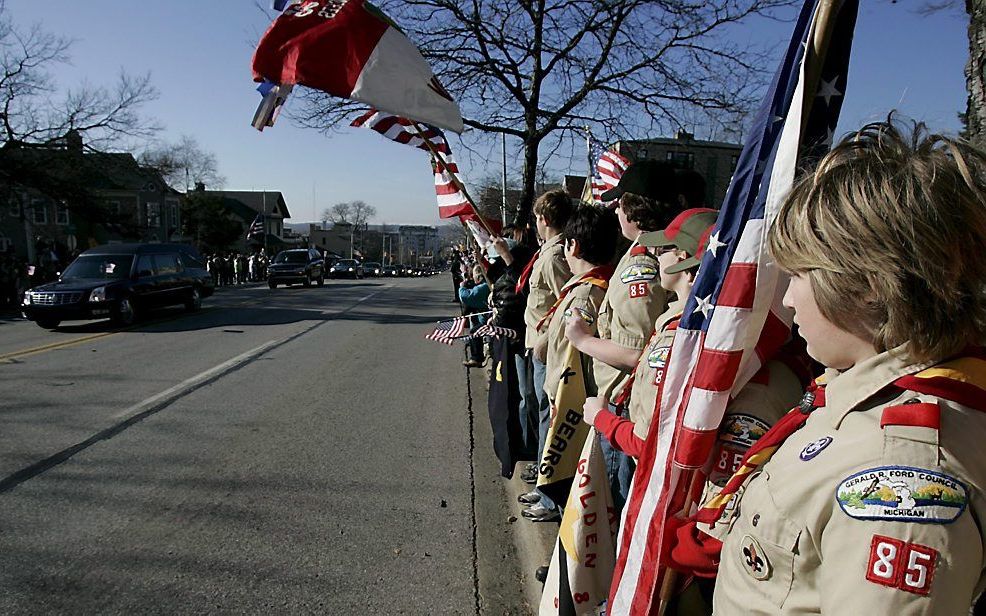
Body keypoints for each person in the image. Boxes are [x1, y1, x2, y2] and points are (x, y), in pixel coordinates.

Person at [688, 118, 986, 614]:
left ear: (870, 283)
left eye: (801, 275)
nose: (787, 297)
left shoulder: (901, 482)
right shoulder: (855, 394)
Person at [565, 160, 683, 511]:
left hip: (623, 400)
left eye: (620, 203)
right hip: (621, 400)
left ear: (635, 209)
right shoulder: (639, 255)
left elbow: (637, 352)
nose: (615, 209)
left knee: (614, 502)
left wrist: (582, 339)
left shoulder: (641, 264)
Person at [524, 204, 620, 522]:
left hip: (570, 401)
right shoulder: (591, 286)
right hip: (579, 400)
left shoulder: (584, 295)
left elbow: (568, 357)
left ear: (573, 246)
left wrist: (553, 395)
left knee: (567, 473)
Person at [515, 190, 575, 516]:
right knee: (540, 414)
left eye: (537, 219)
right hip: (536, 343)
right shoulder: (547, 252)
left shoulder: (554, 257)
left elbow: (567, 301)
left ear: (544, 219)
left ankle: (550, 496)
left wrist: (546, 338)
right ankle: (542, 482)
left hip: (547, 349)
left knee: (547, 418)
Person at [458, 264, 490, 368]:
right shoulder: (485, 285)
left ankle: (476, 358)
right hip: (485, 317)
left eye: (474, 275)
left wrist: (462, 287)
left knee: (474, 331)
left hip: (488, 319)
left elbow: (467, 296)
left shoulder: (483, 287)